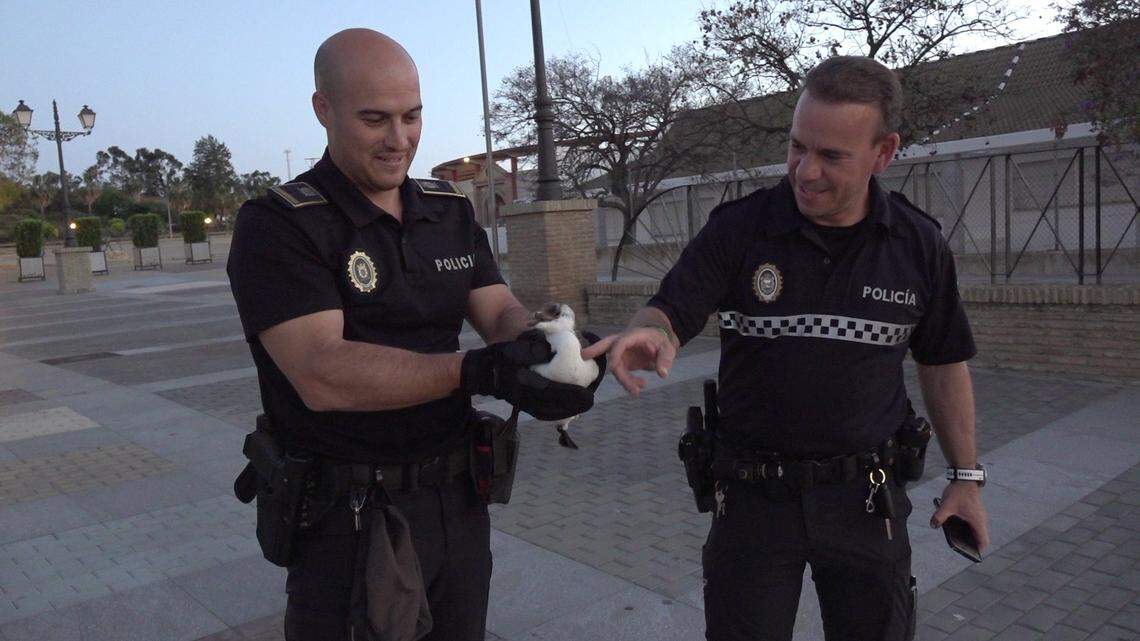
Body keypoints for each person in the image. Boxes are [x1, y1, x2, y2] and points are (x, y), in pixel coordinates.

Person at [583, 56, 989, 641]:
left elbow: (944, 360)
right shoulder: (740, 228)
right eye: (798, 147)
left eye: (831, 156)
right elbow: (672, 307)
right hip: (752, 502)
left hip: (865, 502)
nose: (805, 170)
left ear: (884, 152)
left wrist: (967, 479)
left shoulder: (916, 244)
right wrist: (655, 330)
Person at [227, 28, 597, 641]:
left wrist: (553, 348)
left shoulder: (446, 210)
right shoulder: (279, 225)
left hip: (457, 502)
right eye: (374, 119)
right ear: (324, 110)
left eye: (412, 116)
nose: (399, 140)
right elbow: (320, 370)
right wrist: (478, 371)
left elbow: (498, 308)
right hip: (346, 517)